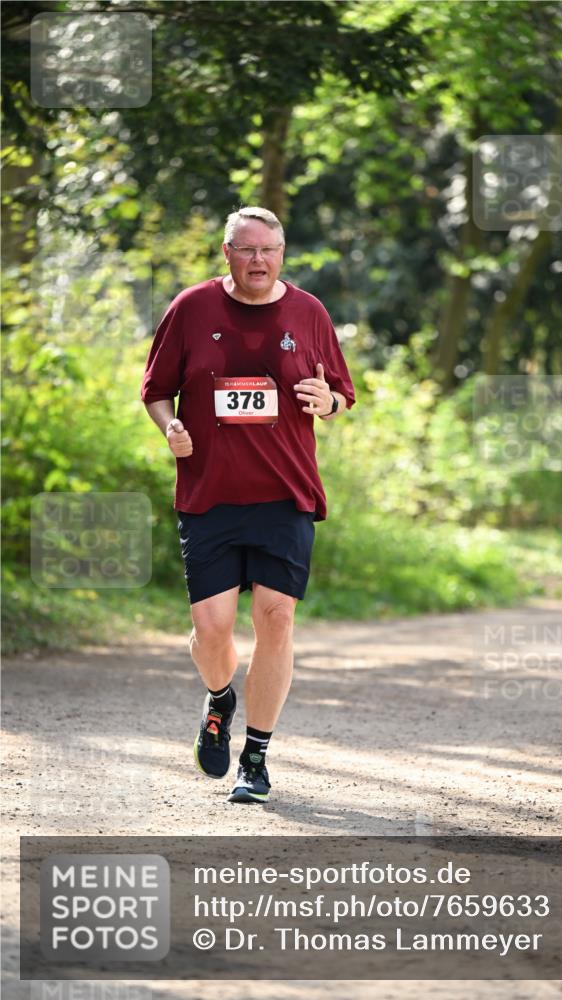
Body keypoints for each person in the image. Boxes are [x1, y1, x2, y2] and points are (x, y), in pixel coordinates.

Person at [141, 206, 355, 804]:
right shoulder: (191, 308)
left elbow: (343, 392)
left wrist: (328, 402)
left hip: (285, 494)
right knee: (211, 631)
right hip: (209, 494)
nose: (258, 260)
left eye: (269, 250)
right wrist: (170, 427)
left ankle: (255, 758)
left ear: (282, 254)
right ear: (227, 253)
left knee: (276, 619)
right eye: (246, 249)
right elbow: (156, 391)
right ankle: (220, 699)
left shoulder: (309, 312)